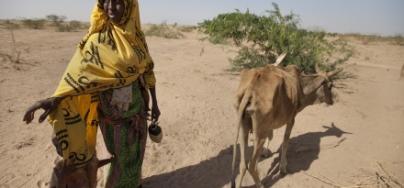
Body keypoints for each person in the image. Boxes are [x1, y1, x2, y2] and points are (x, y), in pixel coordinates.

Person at [23, 0, 160, 187]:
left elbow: (147, 71)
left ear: (129, 7)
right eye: (106, 1)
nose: (111, 6)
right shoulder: (97, 39)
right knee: (118, 157)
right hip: (111, 119)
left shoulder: (136, 37)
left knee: (135, 155)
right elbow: (78, 75)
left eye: (118, 2)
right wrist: (54, 99)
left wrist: (155, 103)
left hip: (138, 113)